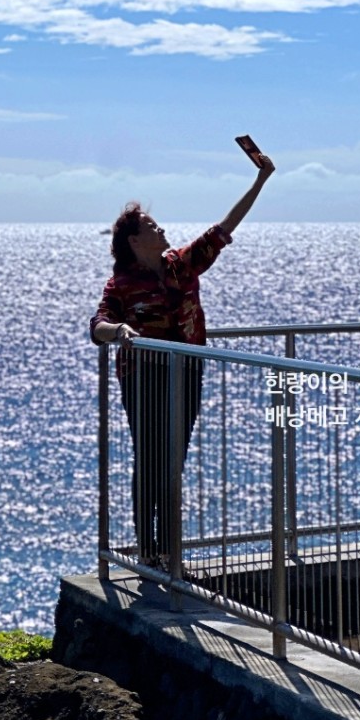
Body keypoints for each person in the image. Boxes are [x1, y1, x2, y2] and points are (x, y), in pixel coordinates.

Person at [90, 156, 275, 566]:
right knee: (150, 459)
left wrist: (260, 180)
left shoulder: (181, 265)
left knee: (173, 461)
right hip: (144, 376)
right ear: (135, 242)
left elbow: (223, 229)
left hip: (186, 373)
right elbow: (98, 325)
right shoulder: (120, 283)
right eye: (152, 227)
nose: (161, 228)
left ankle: (169, 554)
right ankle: (148, 552)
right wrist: (120, 332)